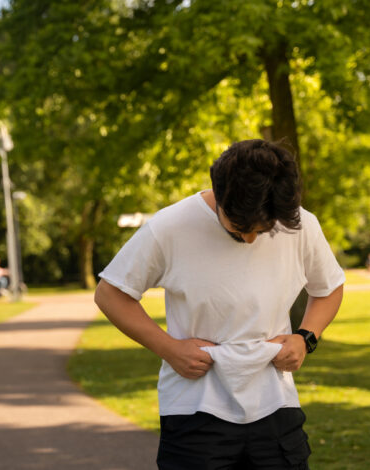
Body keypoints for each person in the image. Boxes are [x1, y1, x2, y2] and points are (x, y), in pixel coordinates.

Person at [94, 139, 345, 469]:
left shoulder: (297, 222)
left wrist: (306, 337)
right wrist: (169, 349)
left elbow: (329, 287)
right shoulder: (170, 226)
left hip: (276, 405)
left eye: (263, 229)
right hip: (194, 410)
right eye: (242, 229)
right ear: (221, 196)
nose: (252, 239)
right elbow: (110, 294)